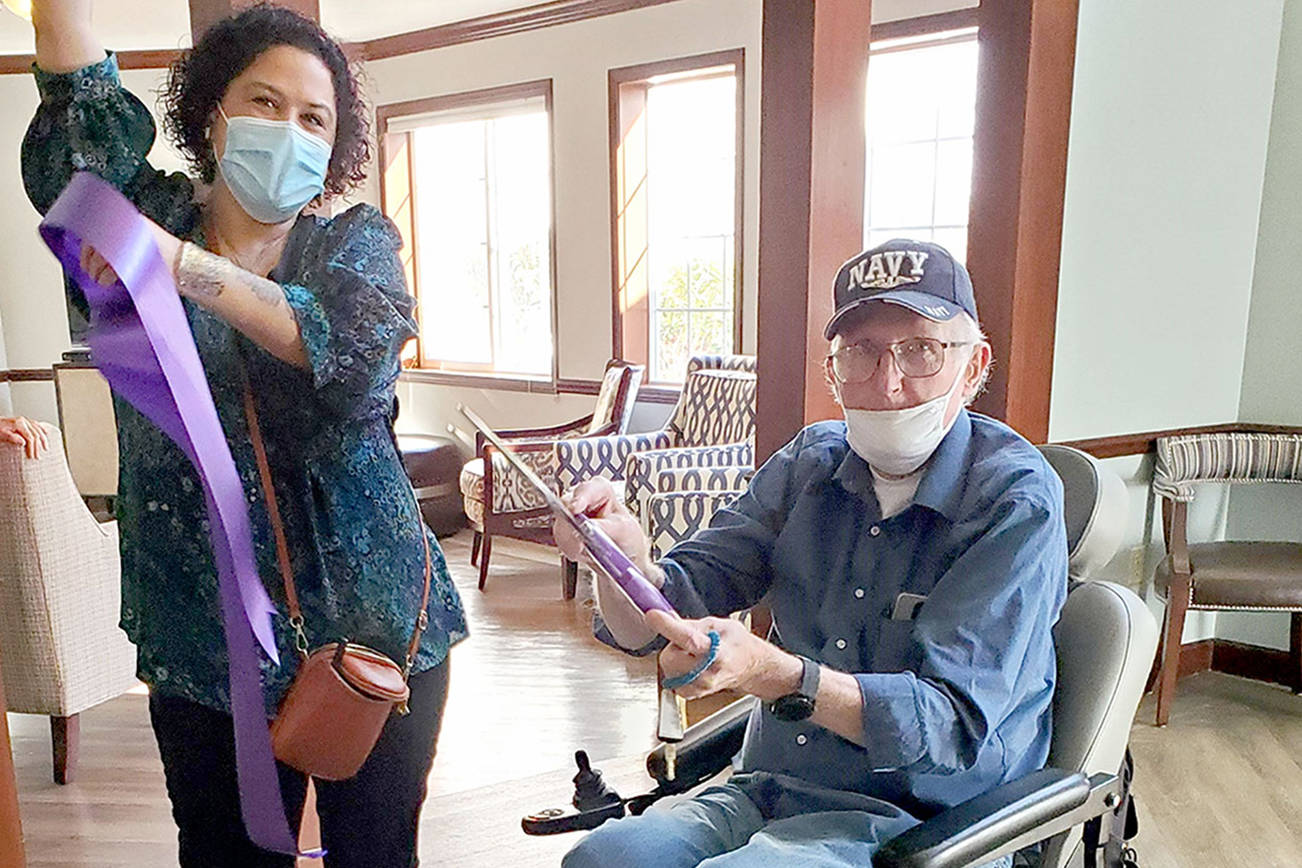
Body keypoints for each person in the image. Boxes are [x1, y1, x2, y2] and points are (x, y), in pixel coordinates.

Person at [21, 3, 467, 865]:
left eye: (314, 118)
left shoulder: (356, 245)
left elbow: (352, 360)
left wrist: (175, 264)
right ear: (211, 115)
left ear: (335, 148)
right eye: (263, 102)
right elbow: (77, 112)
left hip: (377, 637)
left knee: (377, 855)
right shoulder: (136, 214)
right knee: (223, 855)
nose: (288, 131)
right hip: (200, 640)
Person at [556, 239, 1068, 867]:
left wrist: (776, 674)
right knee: (601, 861)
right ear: (833, 371)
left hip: (922, 820)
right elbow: (654, 617)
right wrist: (619, 558)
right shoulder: (808, 465)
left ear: (973, 365)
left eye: (920, 351)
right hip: (770, 788)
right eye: (860, 353)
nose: (888, 383)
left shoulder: (1014, 500)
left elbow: (952, 725)